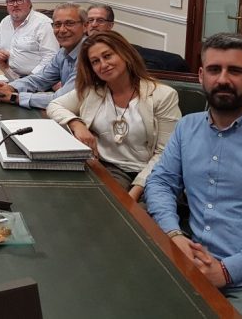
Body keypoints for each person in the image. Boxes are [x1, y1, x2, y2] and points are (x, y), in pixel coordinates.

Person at [145, 33, 242, 318]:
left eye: (235, 71)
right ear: (201, 76)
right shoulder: (187, 127)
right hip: (190, 262)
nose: (223, 79)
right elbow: (161, 181)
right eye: (214, 69)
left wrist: (227, 270)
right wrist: (173, 234)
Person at [46, 30, 180, 201]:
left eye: (107, 56)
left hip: (148, 173)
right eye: (95, 61)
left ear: (125, 54)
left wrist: (135, 192)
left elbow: (165, 153)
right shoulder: (92, 91)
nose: (103, 65)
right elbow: (54, 105)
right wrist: (76, 123)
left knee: (139, 212)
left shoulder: (163, 95)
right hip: (105, 168)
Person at [0, 3, 87, 109]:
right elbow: (40, 79)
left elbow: (61, 100)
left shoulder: (89, 56)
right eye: (57, 24)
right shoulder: (63, 52)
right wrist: (10, 87)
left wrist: (14, 97)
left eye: (69, 23)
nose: (62, 30)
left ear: (85, 26)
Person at [0, 0, 58, 76]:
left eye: (20, 0)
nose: (15, 5)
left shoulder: (43, 24)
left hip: (33, 77)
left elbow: (51, 57)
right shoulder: (5, 21)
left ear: (29, 3)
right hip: (6, 71)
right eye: (11, 1)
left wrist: (31, 78)